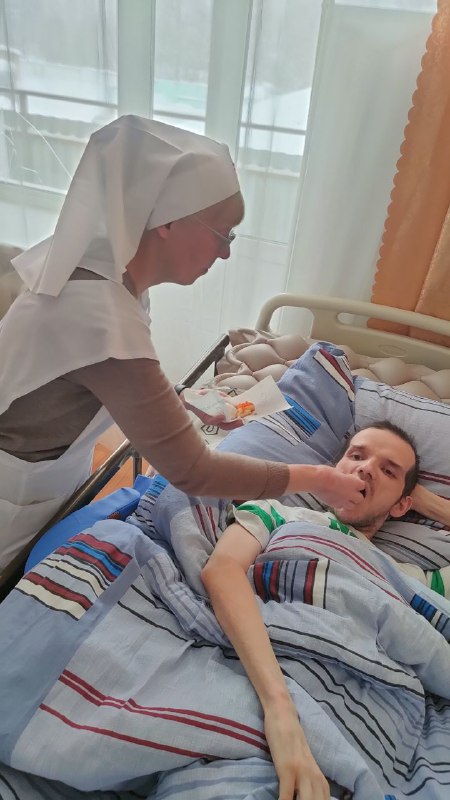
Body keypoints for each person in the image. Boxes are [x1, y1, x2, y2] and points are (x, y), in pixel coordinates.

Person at [0, 115, 365, 572]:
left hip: (50, 474)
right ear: (169, 222)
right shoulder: (97, 313)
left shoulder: (115, 277)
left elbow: (110, 378)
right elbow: (194, 471)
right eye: (223, 234)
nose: (226, 252)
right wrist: (319, 479)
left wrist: (184, 402)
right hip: (15, 495)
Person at [201, 420, 450, 800]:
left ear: (402, 505)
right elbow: (221, 571)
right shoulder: (279, 515)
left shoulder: (410, 579)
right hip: (268, 683)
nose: (366, 468)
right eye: (356, 456)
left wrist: (428, 502)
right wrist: (280, 709)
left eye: (388, 471)